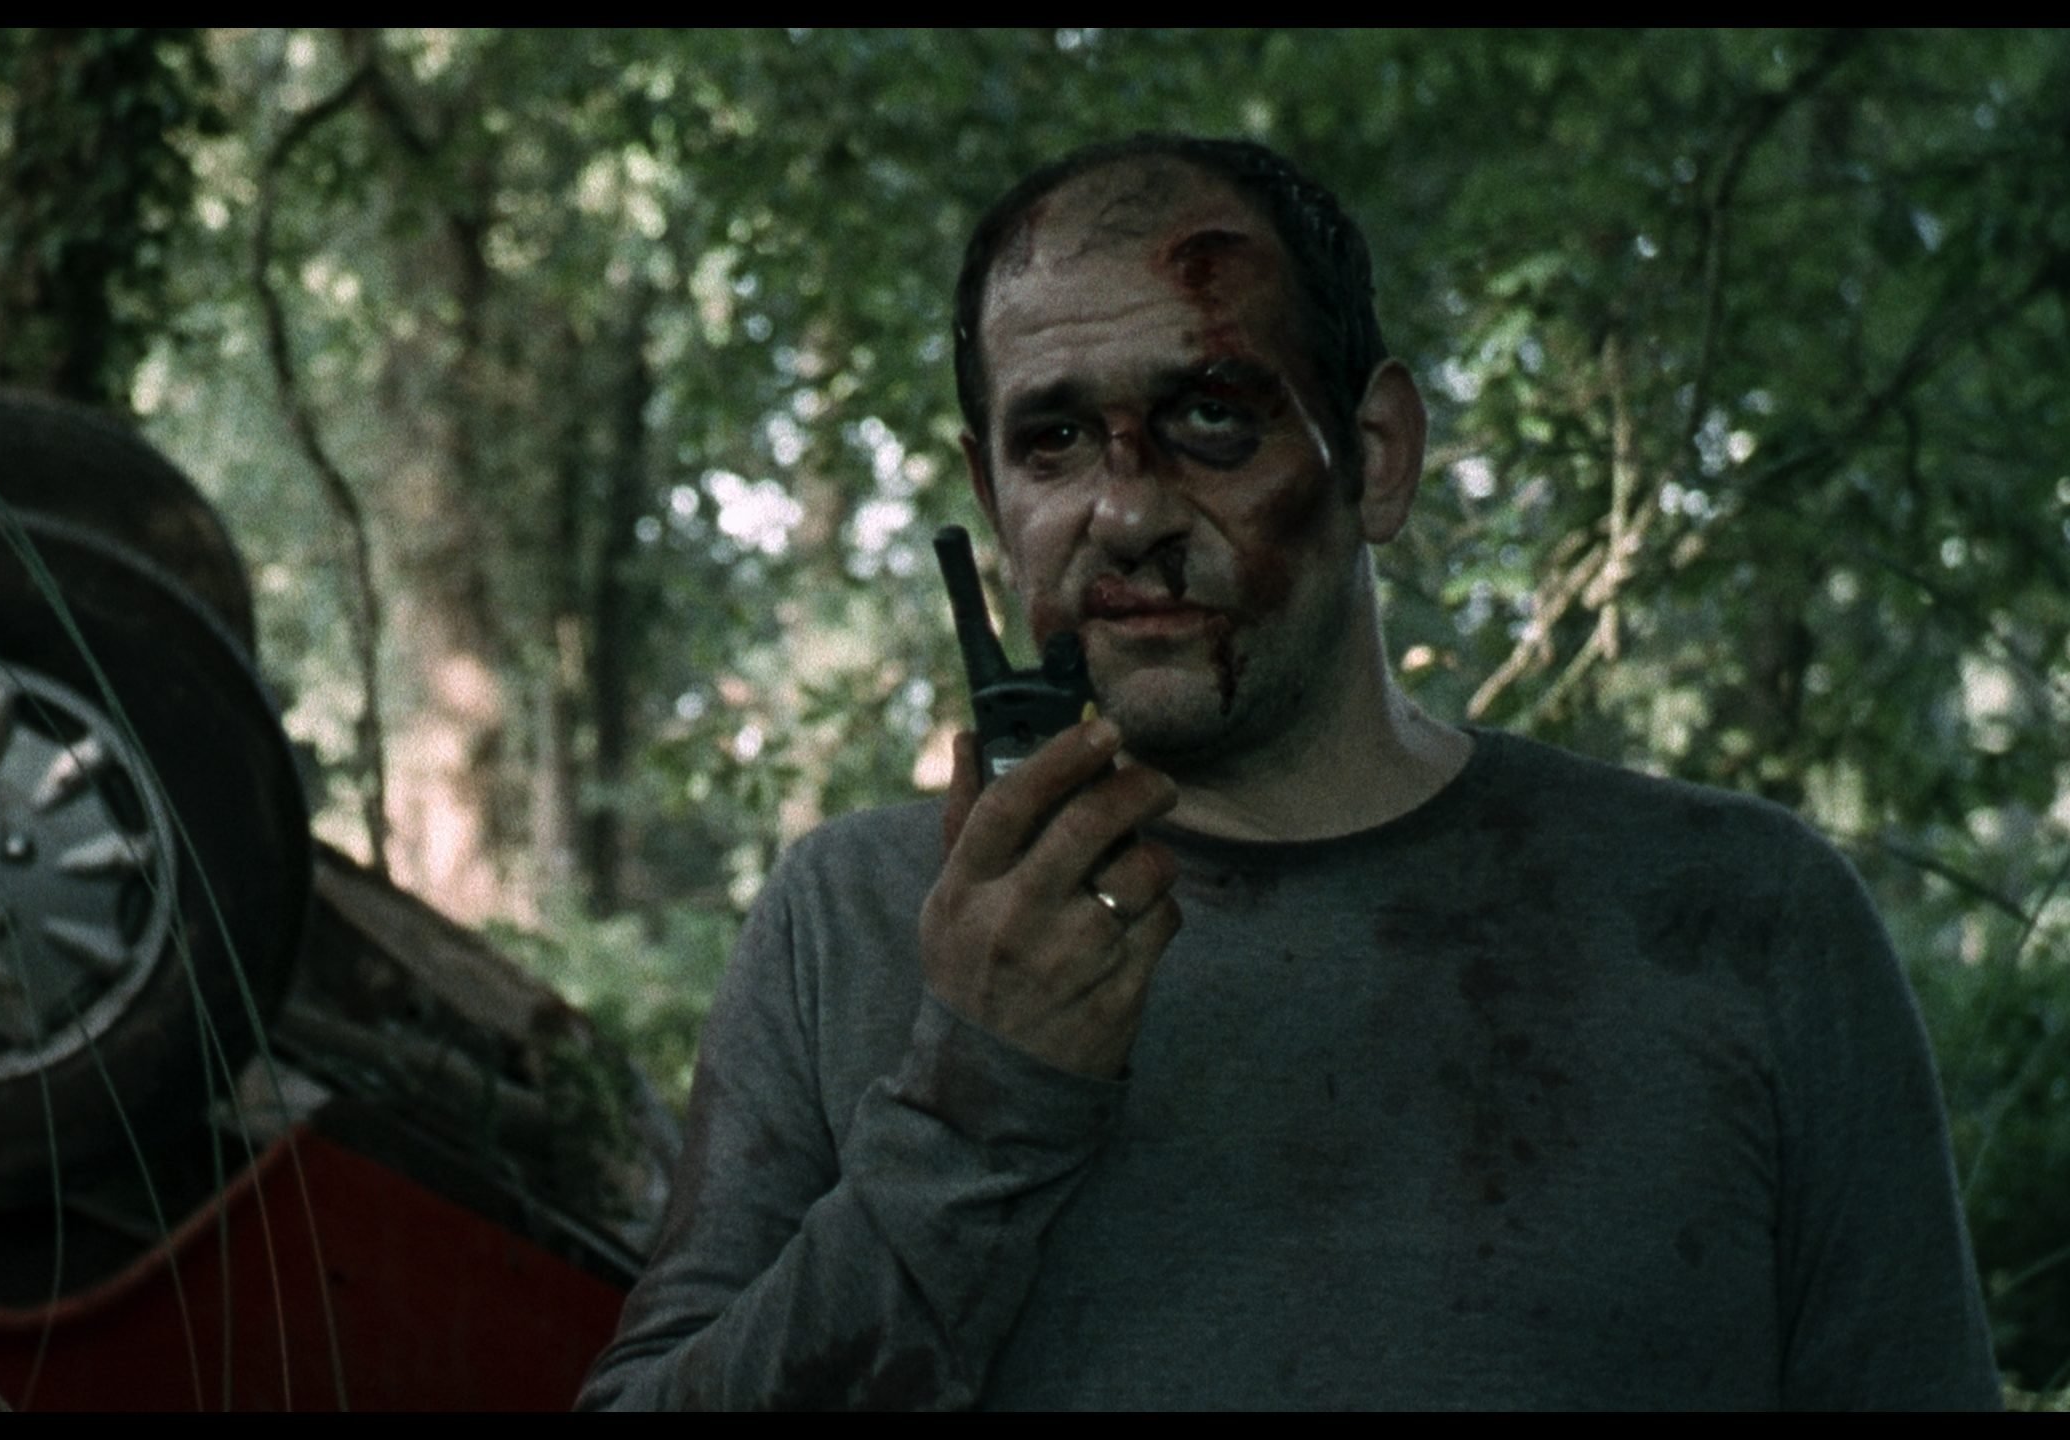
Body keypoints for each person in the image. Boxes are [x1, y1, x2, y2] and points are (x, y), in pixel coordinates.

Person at [578, 134, 2001, 1410]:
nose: (1125, 511)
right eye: (1055, 439)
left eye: (1210, 416)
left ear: (1376, 456)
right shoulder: (855, 920)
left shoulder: (1742, 918)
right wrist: (972, 1103)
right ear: (988, 495)